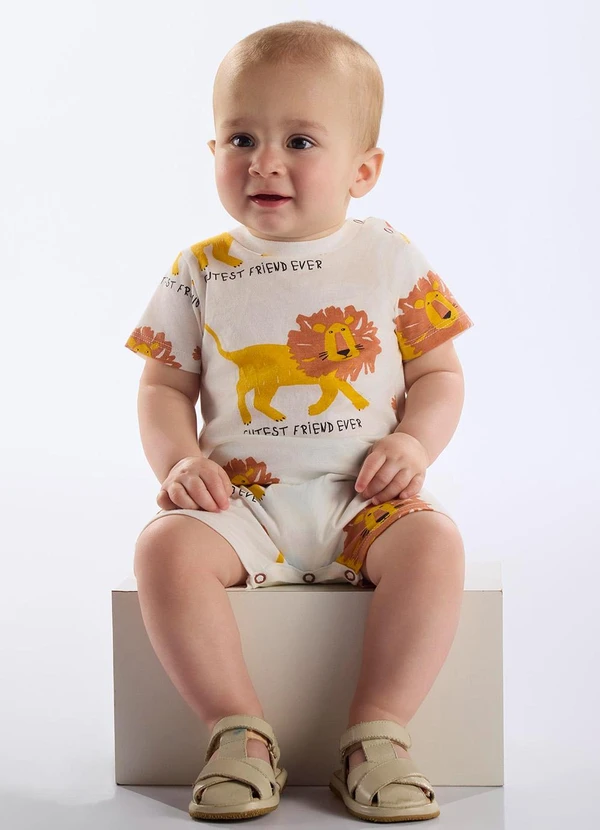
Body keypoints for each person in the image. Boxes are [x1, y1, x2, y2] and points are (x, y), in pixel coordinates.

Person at [124, 19, 474, 823]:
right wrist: (178, 462)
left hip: (365, 502)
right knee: (163, 549)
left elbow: (440, 375)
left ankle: (378, 734)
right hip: (240, 504)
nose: (265, 161)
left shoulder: (390, 257)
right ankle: (237, 731)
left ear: (363, 170)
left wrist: (414, 441)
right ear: (212, 149)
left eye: (301, 141)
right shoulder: (200, 269)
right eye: (241, 138)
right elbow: (163, 388)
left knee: (435, 545)